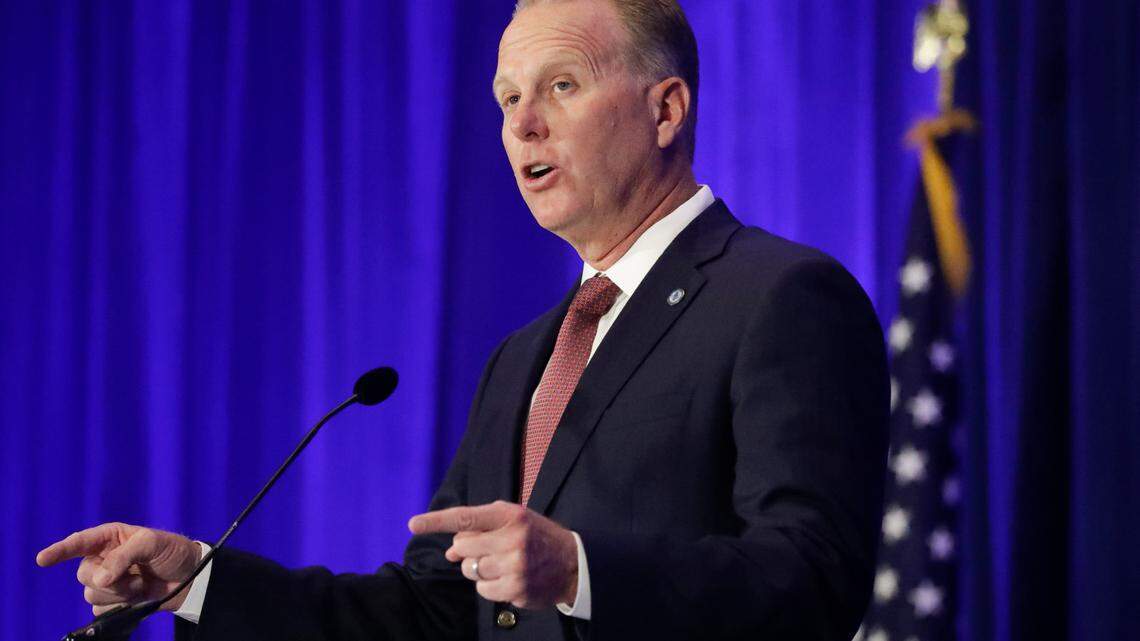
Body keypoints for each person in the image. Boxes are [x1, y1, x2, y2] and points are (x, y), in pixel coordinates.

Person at [37, 1, 890, 639]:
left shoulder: (781, 297)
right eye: (507, 96)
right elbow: (431, 613)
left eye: (562, 85)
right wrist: (199, 580)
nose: (523, 122)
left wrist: (579, 569)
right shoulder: (525, 357)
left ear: (667, 109)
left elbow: (815, 574)